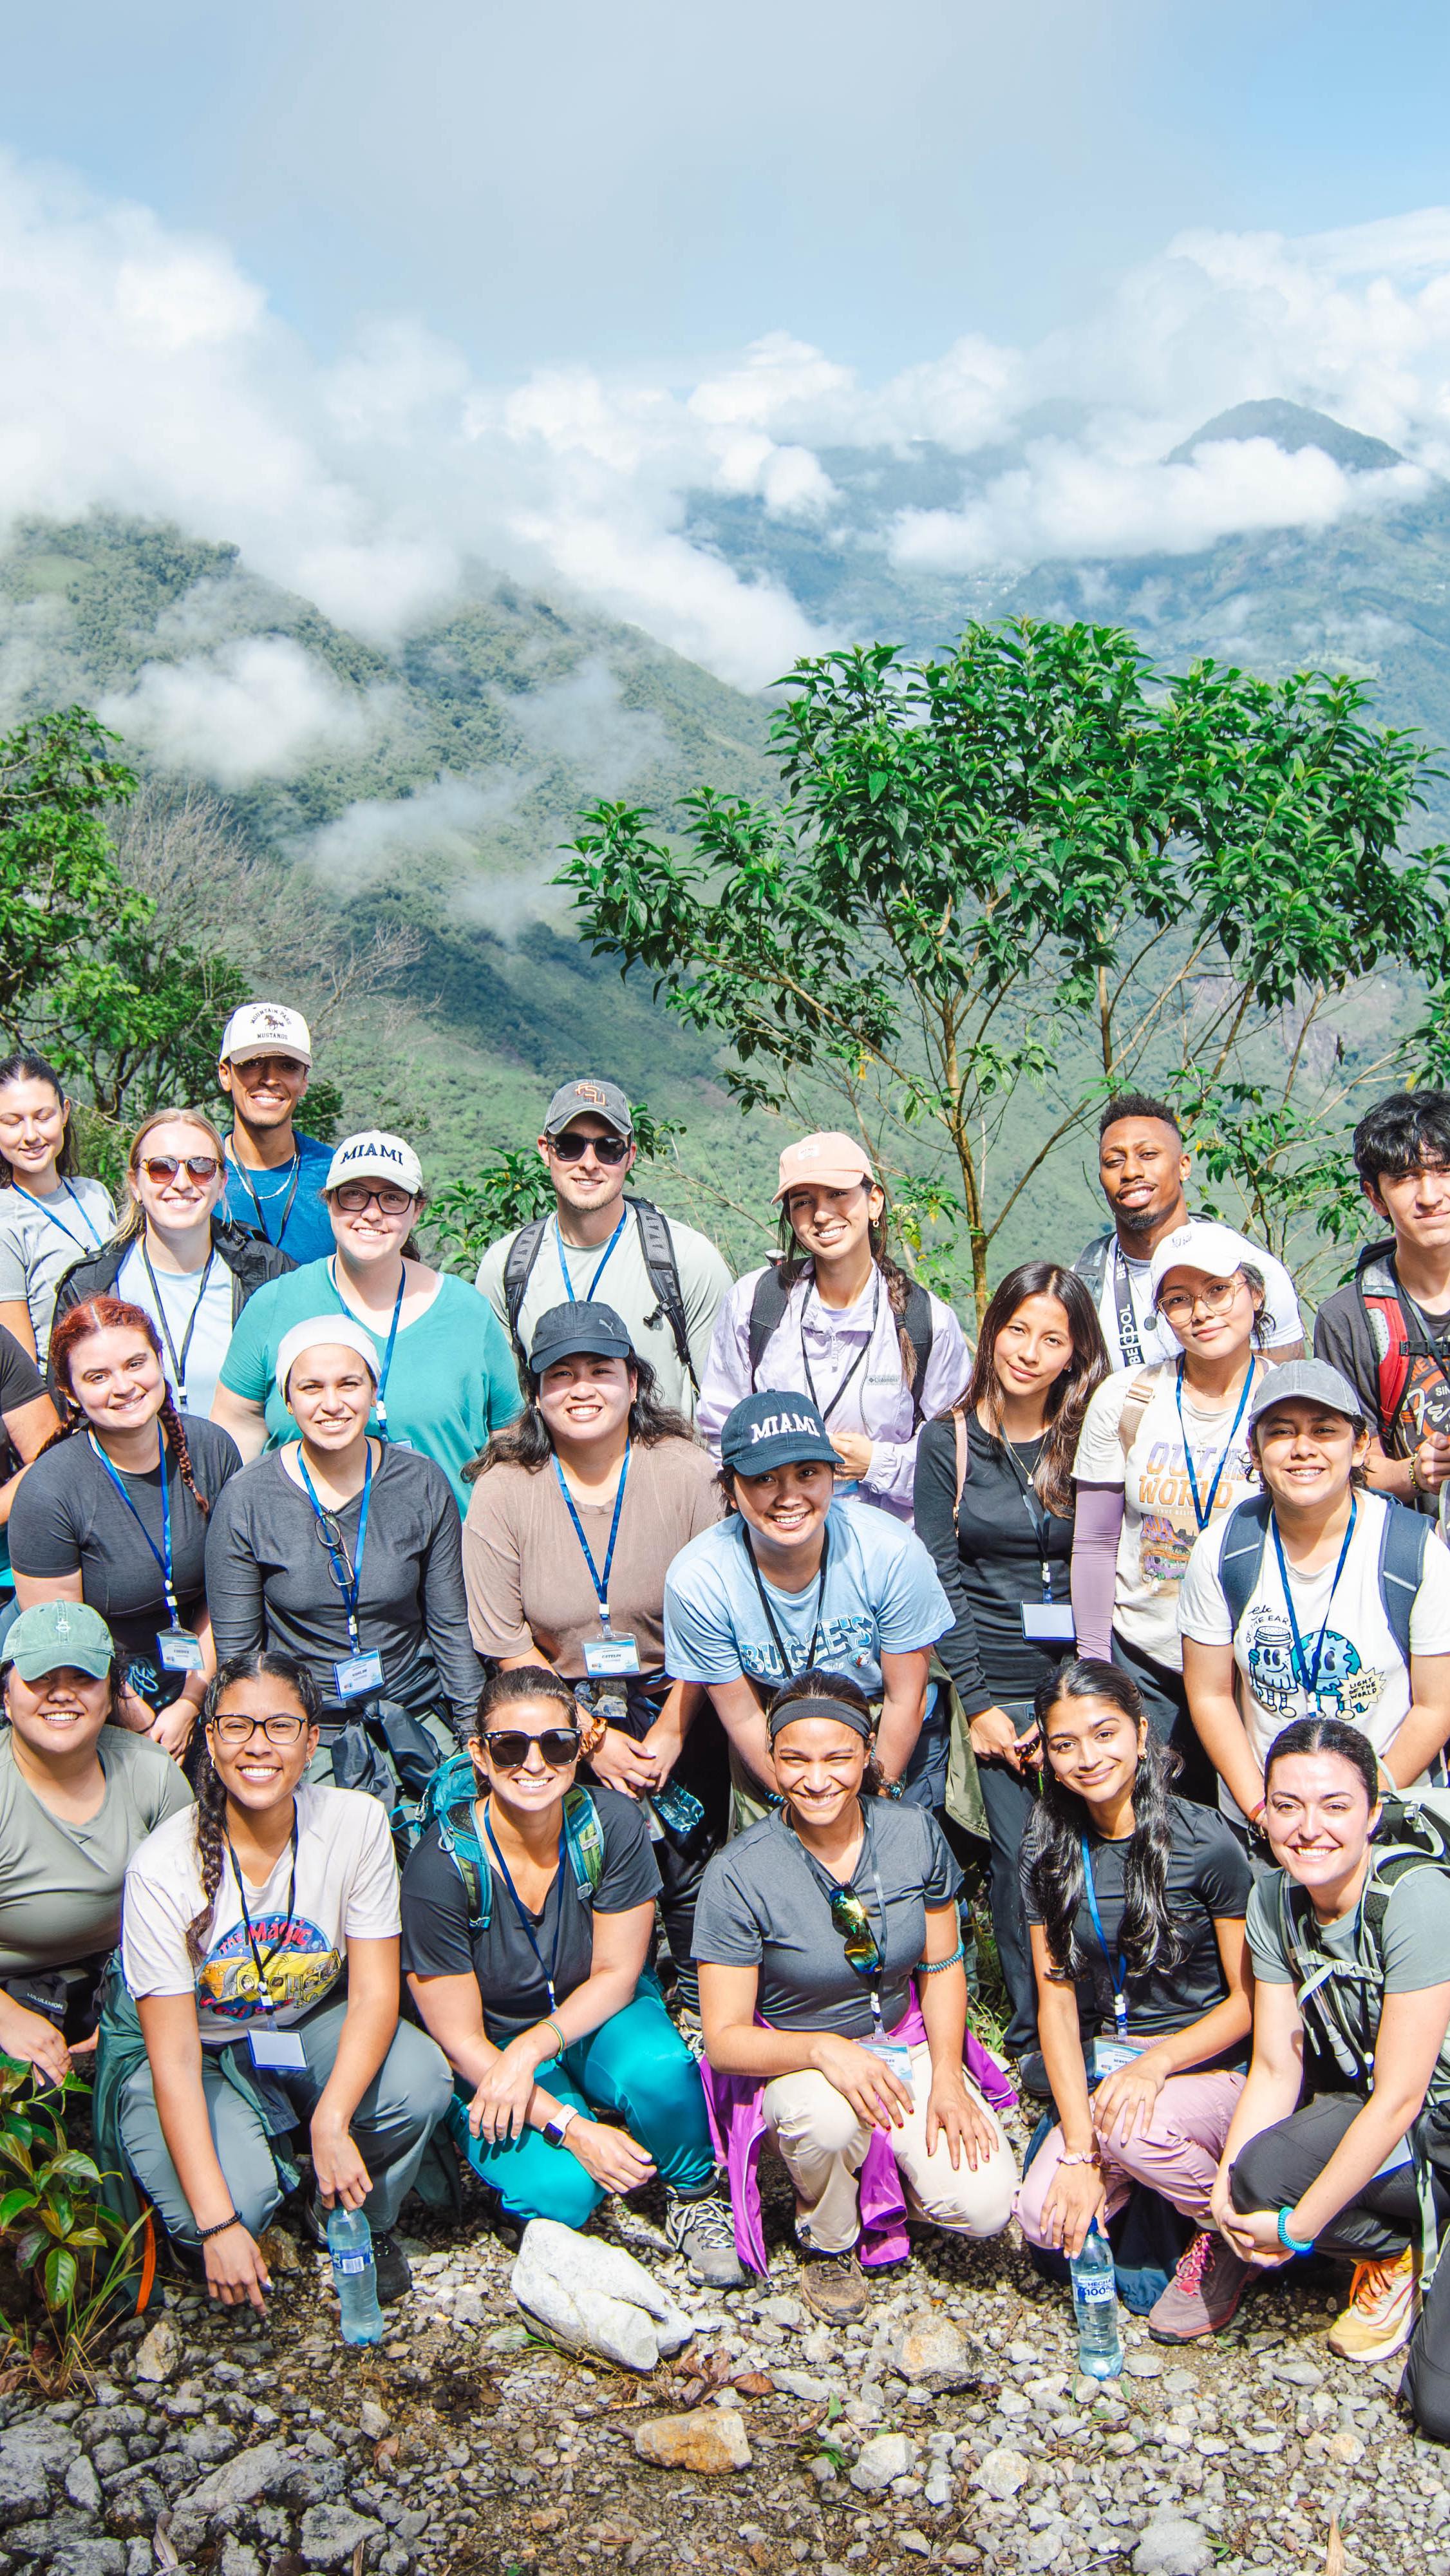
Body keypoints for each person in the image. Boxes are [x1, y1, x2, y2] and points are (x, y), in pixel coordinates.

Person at [111, 1648, 451, 2304]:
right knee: (236, 2204)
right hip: (203, 2049)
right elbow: (175, 2059)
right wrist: (217, 2225)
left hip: (302, 2023)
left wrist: (332, 2120)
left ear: (311, 1738)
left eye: (280, 1726)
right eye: (237, 1725)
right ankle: (241, 2194)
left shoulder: (356, 1822)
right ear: (209, 1739)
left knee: (420, 2081)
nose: (257, 1746)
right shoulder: (162, 1867)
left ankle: (354, 2216)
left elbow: (378, 1990)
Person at [401, 1664, 740, 2282]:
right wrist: (572, 2127)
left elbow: (616, 1972)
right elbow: (458, 2039)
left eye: (555, 1744)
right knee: (564, 2194)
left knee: (662, 2072)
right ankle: (557, 2138)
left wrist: (534, 2048)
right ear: (480, 1754)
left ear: (581, 1746)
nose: (534, 1764)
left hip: (591, 2012)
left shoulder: (609, 1824)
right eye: (510, 1746)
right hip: (488, 2044)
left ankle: (695, 2195)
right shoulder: (441, 1868)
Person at [693, 1684, 1016, 2319]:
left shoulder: (912, 1833)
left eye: (837, 1758)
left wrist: (947, 2079)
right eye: (795, 1760)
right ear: (770, 1758)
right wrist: (823, 2049)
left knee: (984, 2208)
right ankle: (827, 2235)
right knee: (827, 2120)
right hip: (801, 2055)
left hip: (904, 2041)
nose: (816, 1780)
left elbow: (943, 1965)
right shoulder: (738, 1872)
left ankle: (888, 2182)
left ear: (867, 1753)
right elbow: (725, 2038)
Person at [461, 1300, 726, 2015]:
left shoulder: (687, 1473)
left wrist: (671, 1727)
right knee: (591, 1855)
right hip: (555, 1701)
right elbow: (505, 1639)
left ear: (634, 1382)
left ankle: (705, 2003)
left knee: (693, 1848)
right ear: (537, 1393)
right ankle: (611, 2000)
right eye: (561, 1375)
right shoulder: (503, 1489)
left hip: (681, 1689)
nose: (581, 1389)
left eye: (600, 1371)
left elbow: (716, 1615)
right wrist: (592, 1739)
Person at [1214, 1717, 1450, 2417]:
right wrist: (1227, 2198)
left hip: (1417, 2114)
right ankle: (1402, 2249)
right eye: (1286, 1805)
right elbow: (1272, 2066)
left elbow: (1398, 2098)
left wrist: (1297, 2229)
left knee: (1437, 2410)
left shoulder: (1415, 1897)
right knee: (1255, 2180)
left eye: (1334, 1806)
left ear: (1373, 1811)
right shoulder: (1272, 1900)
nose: (1307, 1828)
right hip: (1411, 2138)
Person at [1015, 1660, 1254, 2344]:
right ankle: (1135, 2179)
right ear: (1047, 1755)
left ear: (1141, 1731)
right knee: (1041, 2220)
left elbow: (1248, 2003)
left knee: (1130, 2127)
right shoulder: (1046, 1848)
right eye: (1064, 1744)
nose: (1087, 1758)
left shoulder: (1205, 1840)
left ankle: (1228, 2230)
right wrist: (1077, 2157)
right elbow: (1055, 2005)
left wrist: (1156, 2064)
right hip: (1108, 2068)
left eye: (1103, 1733)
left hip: (1205, 2064)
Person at [913, 1262, 1109, 2058]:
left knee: (1093, 1841)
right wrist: (982, 1702)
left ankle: (1104, 2010)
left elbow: (1103, 1554)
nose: (1028, 1351)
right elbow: (939, 1571)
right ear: (989, 1332)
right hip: (991, 1674)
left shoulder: (1089, 1435)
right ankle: (1035, 2033)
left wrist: (1094, 1692)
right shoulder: (948, 1440)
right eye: (1016, 1329)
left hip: (1081, 1676)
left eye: (1050, 1337)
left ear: (1074, 1352)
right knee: (1019, 1855)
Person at [205, 1320, 484, 1782]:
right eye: (311, 1387)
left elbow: (450, 1625)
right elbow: (239, 1657)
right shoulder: (248, 1499)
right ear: (288, 1401)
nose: (331, 1404)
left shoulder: (420, 1481)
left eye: (348, 1384)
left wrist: (474, 1735)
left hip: (412, 1708)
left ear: (374, 1392)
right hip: (305, 1730)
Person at [1180, 1359, 1450, 1833]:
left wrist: (1366, 1807)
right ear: (1256, 1448)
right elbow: (1210, 1694)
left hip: (1390, 1815)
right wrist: (1263, 1811)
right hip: (1264, 1820)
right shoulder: (1225, 1549)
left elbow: (1437, 1704)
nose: (1303, 1449)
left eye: (1324, 1430)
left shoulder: (1414, 1550)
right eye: (1282, 1432)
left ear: (1360, 1444)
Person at [664, 1393, 953, 1818]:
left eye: (807, 1473)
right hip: (774, 1733)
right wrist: (800, 1801)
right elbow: (743, 1717)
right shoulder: (699, 1580)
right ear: (729, 1489)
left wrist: (875, 1797)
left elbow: (903, 1698)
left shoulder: (890, 1551)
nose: (789, 1496)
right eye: (764, 1479)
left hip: (883, 1723)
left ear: (833, 1476)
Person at [212, 1130, 520, 1514]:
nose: (371, 1212)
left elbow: (509, 1439)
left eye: (392, 1198)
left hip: (444, 1561)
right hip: (300, 1555)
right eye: (354, 1194)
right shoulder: (275, 1304)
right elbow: (237, 1426)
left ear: (417, 1210)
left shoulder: (467, 1312)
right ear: (328, 1203)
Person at [1071, 1218, 1273, 1795]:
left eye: (1218, 1291)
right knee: (1152, 1830)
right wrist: (1097, 1667)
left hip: (1255, 1667)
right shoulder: (1129, 1397)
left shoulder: (1285, 1401)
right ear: (1160, 1312)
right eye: (1179, 1300)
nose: (1202, 1312)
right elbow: (1094, 1541)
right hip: (1145, 1660)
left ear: (1254, 1294)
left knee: (1249, 1825)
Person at [699, 1133, 968, 1520]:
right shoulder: (754, 1304)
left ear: (873, 1201)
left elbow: (954, 1457)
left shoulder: (927, 1321)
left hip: (884, 1550)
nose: (821, 1214)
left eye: (838, 1194)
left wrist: (876, 1463)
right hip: (777, 1539)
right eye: (803, 1201)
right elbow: (719, 1430)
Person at [11, 1298, 240, 1756]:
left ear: (159, 1361)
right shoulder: (49, 1490)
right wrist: (135, 1715)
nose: (124, 1387)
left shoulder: (211, 1448)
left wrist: (192, 1703)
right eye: (98, 1377)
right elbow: (61, 1636)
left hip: (205, 1676)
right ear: (71, 1394)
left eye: (136, 1363)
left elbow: (231, 1594)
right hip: (99, 1690)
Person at [0, 1599, 191, 2084]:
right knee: (29, 2084)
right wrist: (5, 2017)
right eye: (41, 1679)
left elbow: (199, 1903)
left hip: (124, 1971)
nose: (61, 1695)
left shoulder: (151, 1772)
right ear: (6, 1695)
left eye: (82, 1678)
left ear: (111, 1693)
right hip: (10, 1987)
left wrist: (142, 2005)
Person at [475, 1078, 732, 1418]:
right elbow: (503, 1414)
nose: (589, 1163)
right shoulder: (507, 1266)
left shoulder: (686, 1260)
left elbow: (727, 1408)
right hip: (550, 1470)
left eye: (608, 1147)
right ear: (545, 1150)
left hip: (664, 1467)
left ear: (630, 1156)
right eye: (570, 1145)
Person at [53, 1108, 290, 1420]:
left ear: (221, 1184)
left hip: (243, 1466)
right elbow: (70, 1411)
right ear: (135, 1184)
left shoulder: (271, 1276)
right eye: (161, 1168)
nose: (181, 1183)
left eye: (201, 1167)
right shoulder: (90, 1286)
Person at [1075, 1094, 1303, 1373]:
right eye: (1113, 1162)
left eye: (1148, 1155)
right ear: (1102, 1179)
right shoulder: (1083, 1286)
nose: (1131, 1171)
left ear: (1184, 1166)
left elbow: (1288, 1392)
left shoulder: (1251, 1271)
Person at [1313, 1090, 1450, 1517]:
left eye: (1444, 1171)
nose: (1429, 1196)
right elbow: (1351, 1464)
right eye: (1407, 1177)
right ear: (1376, 1197)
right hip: (1413, 1562)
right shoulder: (1348, 1320)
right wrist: (1417, 1472)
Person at [0, 1050, 115, 1358]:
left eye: (43, 1117)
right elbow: (19, 1366)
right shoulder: (4, 1219)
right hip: (56, 1396)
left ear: (64, 1113)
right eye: (12, 1122)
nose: (31, 1136)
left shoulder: (95, 1194)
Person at [217, 1003, 336, 1265]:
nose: (270, 1079)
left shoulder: (338, 1176)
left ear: (304, 1081)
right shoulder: (193, 1176)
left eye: (287, 1066)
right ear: (225, 1074)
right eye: (253, 1063)